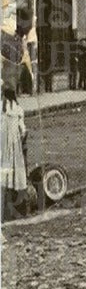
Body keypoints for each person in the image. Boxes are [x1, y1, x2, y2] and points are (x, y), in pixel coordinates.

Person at [2, 84, 29, 220]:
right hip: (15, 145)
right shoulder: (18, 109)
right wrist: (22, 137)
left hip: (5, 145)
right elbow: (23, 129)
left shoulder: (3, 109)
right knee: (18, 174)